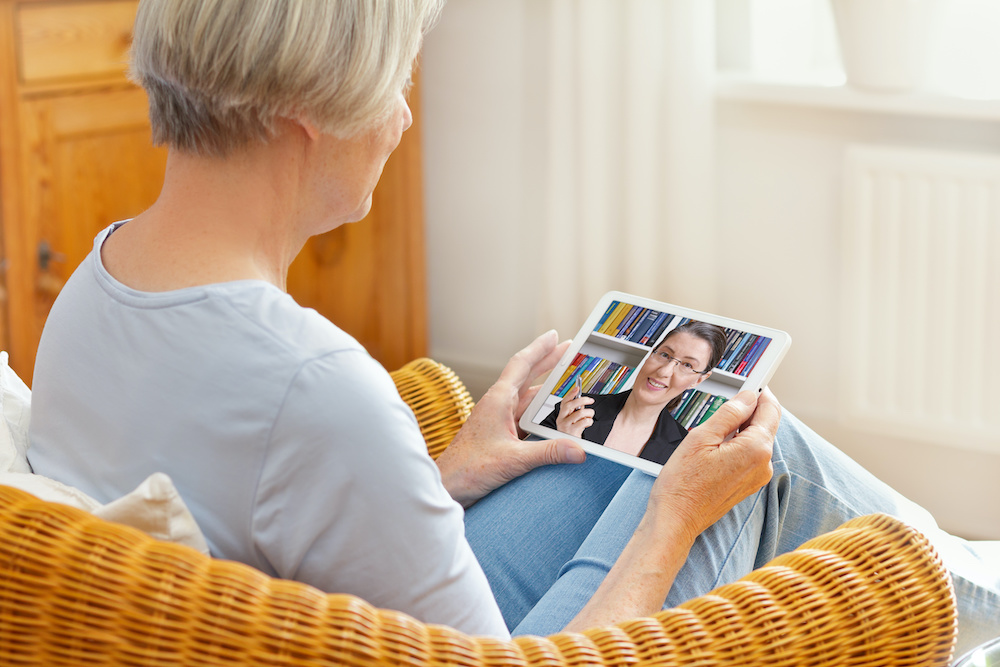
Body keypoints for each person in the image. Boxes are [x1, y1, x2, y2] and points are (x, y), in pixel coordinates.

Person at [23, 0, 998, 654]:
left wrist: (441, 475)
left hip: (339, 628)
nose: (403, 119)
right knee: (740, 457)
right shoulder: (313, 383)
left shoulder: (96, 283)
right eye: (396, 80)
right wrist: (677, 519)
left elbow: (251, 505)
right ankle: (977, 592)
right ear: (307, 113)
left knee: (654, 442)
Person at [541, 321, 728, 465]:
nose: (664, 371)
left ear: (698, 380)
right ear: (650, 354)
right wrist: (563, 443)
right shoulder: (573, 411)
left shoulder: (685, 452)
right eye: (664, 355)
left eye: (687, 365)